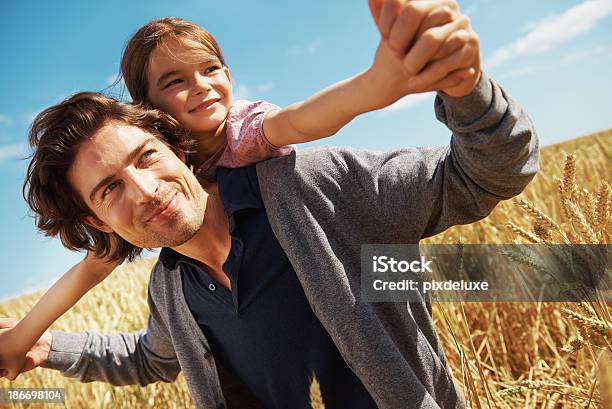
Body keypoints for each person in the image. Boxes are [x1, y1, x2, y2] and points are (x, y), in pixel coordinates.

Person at [1, 1, 539, 408]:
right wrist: (46, 348)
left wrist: (463, 85)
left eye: (144, 156)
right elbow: (149, 357)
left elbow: (481, 176)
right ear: (96, 219)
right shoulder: (170, 289)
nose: (145, 191)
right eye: (109, 189)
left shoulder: (309, 187)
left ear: (170, 142)